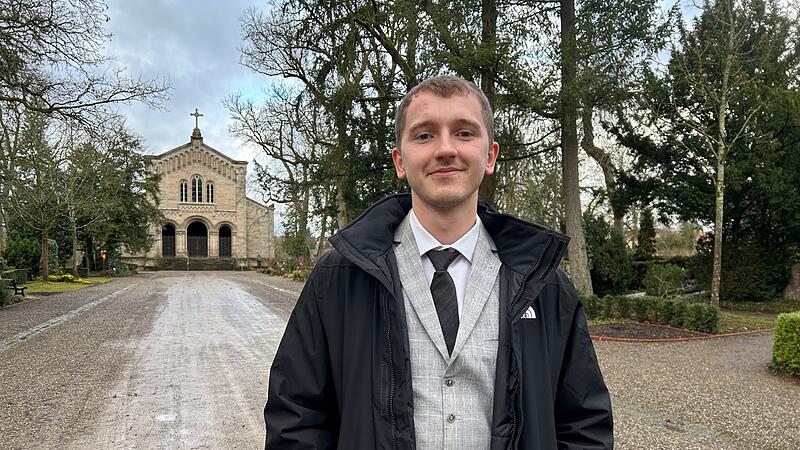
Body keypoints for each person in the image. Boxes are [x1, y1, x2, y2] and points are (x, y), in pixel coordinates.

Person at [265, 75, 613, 449]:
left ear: (490, 156)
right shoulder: (338, 279)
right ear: (400, 161)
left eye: (464, 133)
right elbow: (297, 418)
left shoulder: (545, 285)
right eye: (424, 135)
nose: (445, 149)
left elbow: (582, 424)